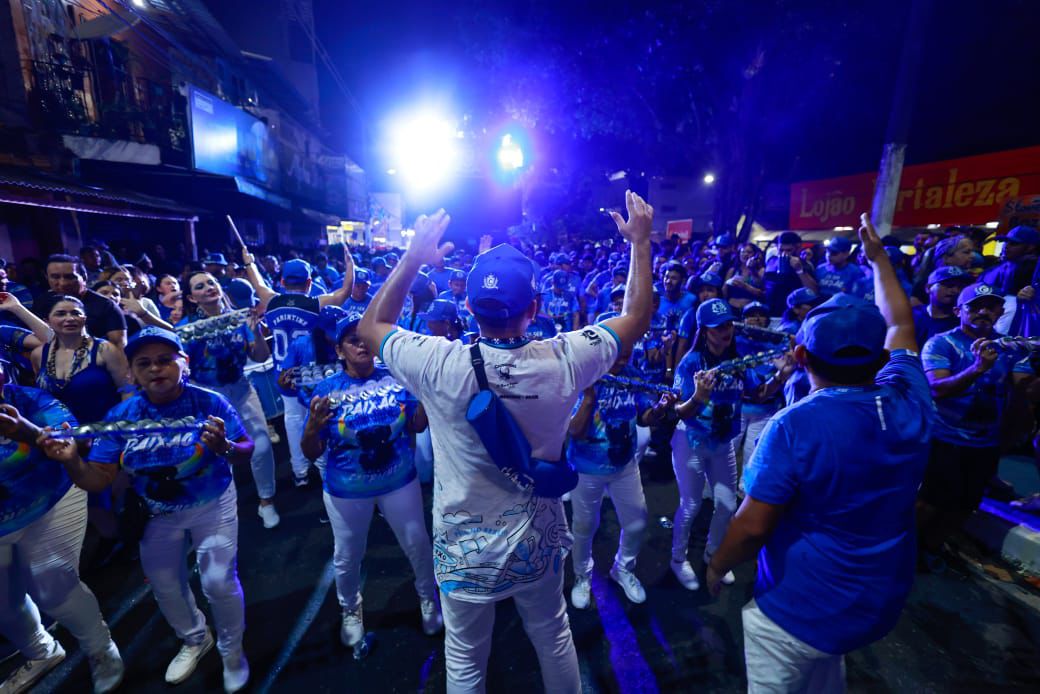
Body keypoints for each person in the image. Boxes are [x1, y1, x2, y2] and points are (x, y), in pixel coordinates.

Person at [356, 192, 655, 693]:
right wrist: (640, 245)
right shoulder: (565, 359)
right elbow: (635, 320)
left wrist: (411, 258)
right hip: (535, 546)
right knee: (553, 636)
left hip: (462, 552)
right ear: (535, 309)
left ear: (468, 306)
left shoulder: (438, 363)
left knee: (466, 660)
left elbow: (372, 327)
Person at [705, 214, 933, 692]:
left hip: (798, 610)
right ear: (880, 358)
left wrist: (718, 564)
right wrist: (878, 261)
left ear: (802, 357)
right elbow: (900, 323)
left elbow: (751, 526)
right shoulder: (911, 395)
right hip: (878, 602)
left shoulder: (795, 425)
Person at [38, 327, 255, 692]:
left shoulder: (209, 402)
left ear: (183, 364)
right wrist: (73, 461)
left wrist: (225, 447)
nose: (156, 369)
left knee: (218, 581)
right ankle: (194, 638)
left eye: (165, 360)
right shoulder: (121, 416)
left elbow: (246, 448)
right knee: (166, 584)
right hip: (155, 514)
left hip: (211, 503)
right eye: (145, 363)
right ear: (132, 373)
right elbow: (98, 479)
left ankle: (233, 649)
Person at [301, 314, 442, 647]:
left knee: (418, 544)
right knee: (348, 554)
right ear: (339, 351)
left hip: (399, 482)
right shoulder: (325, 390)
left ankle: (428, 597)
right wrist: (310, 427)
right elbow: (311, 452)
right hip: (347, 490)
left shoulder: (397, 378)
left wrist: (423, 395)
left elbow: (418, 426)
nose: (362, 344)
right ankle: (351, 608)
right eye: (353, 340)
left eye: (366, 338)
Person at [0, 356, 124, 694]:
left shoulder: (28, 400)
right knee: (4, 603)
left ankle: (101, 650)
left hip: (51, 500)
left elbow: (77, 443)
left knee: (54, 588)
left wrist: (25, 429)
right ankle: (41, 652)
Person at [669, 298, 786, 591]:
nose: (725, 331)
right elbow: (679, 412)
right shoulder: (692, 363)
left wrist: (782, 374)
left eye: (728, 325)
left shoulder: (737, 359)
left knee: (727, 504)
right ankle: (677, 558)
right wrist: (698, 396)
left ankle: (713, 554)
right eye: (717, 327)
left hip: (722, 444)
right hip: (691, 441)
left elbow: (758, 393)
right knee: (692, 505)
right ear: (704, 330)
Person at [917, 283, 1035, 569]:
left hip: (984, 442)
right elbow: (937, 389)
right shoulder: (941, 343)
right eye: (975, 306)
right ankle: (906, 549)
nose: (984, 311)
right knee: (929, 502)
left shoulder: (1009, 347)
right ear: (959, 311)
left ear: (1000, 311)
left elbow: (1024, 390)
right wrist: (977, 369)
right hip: (943, 438)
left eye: (991, 306)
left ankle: (930, 549)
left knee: (965, 504)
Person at [567, 346, 675, 609]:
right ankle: (583, 575)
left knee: (637, 523)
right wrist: (589, 396)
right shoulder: (579, 376)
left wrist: (660, 409)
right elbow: (575, 431)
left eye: (627, 351)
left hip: (624, 465)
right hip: (586, 466)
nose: (624, 357)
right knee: (583, 527)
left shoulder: (631, 374)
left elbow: (644, 416)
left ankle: (623, 568)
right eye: (618, 351)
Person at [242, 246, 353, 487]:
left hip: (283, 371)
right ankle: (324, 470)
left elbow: (257, 283)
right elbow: (345, 292)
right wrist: (350, 264)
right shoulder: (316, 303)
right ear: (309, 282)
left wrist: (249, 263)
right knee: (320, 420)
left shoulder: (270, 300)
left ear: (282, 281)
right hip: (313, 373)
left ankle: (300, 471)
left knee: (292, 419)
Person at [181, 271, 279, 529]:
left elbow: (260, 356)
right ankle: (225, 508)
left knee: (262, 445)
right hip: (207, 397)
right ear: (192, 297)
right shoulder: (186, 328)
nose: (209, 288)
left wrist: (255, 331)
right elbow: (183, 369)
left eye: (211, 282)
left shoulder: (239, 319)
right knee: (217, 452)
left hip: (241, 389)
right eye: (200, 286)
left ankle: (266, 501)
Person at [42, 255, 127, 347]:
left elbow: (118, 346)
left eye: (70, 277)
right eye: (55, 277)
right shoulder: (43, 302)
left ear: (84, 277)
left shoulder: (106, 306)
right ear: (47, 277)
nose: (63, 283)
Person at [912, 267, 973, 348]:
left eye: (960, 287)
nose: (955, 290)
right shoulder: (911, 315)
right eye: (948, 285)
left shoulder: (964, 321)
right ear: (928, 288)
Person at [765, 232, 818, 315]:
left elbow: (813, 290)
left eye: (789, 250)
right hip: (770, 310)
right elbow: (765, 284)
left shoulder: (805, 265)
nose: (784, 253)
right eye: (781, 250)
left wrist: (799, 270)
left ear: (797, 248)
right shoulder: (771, 261)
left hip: (793, 313)